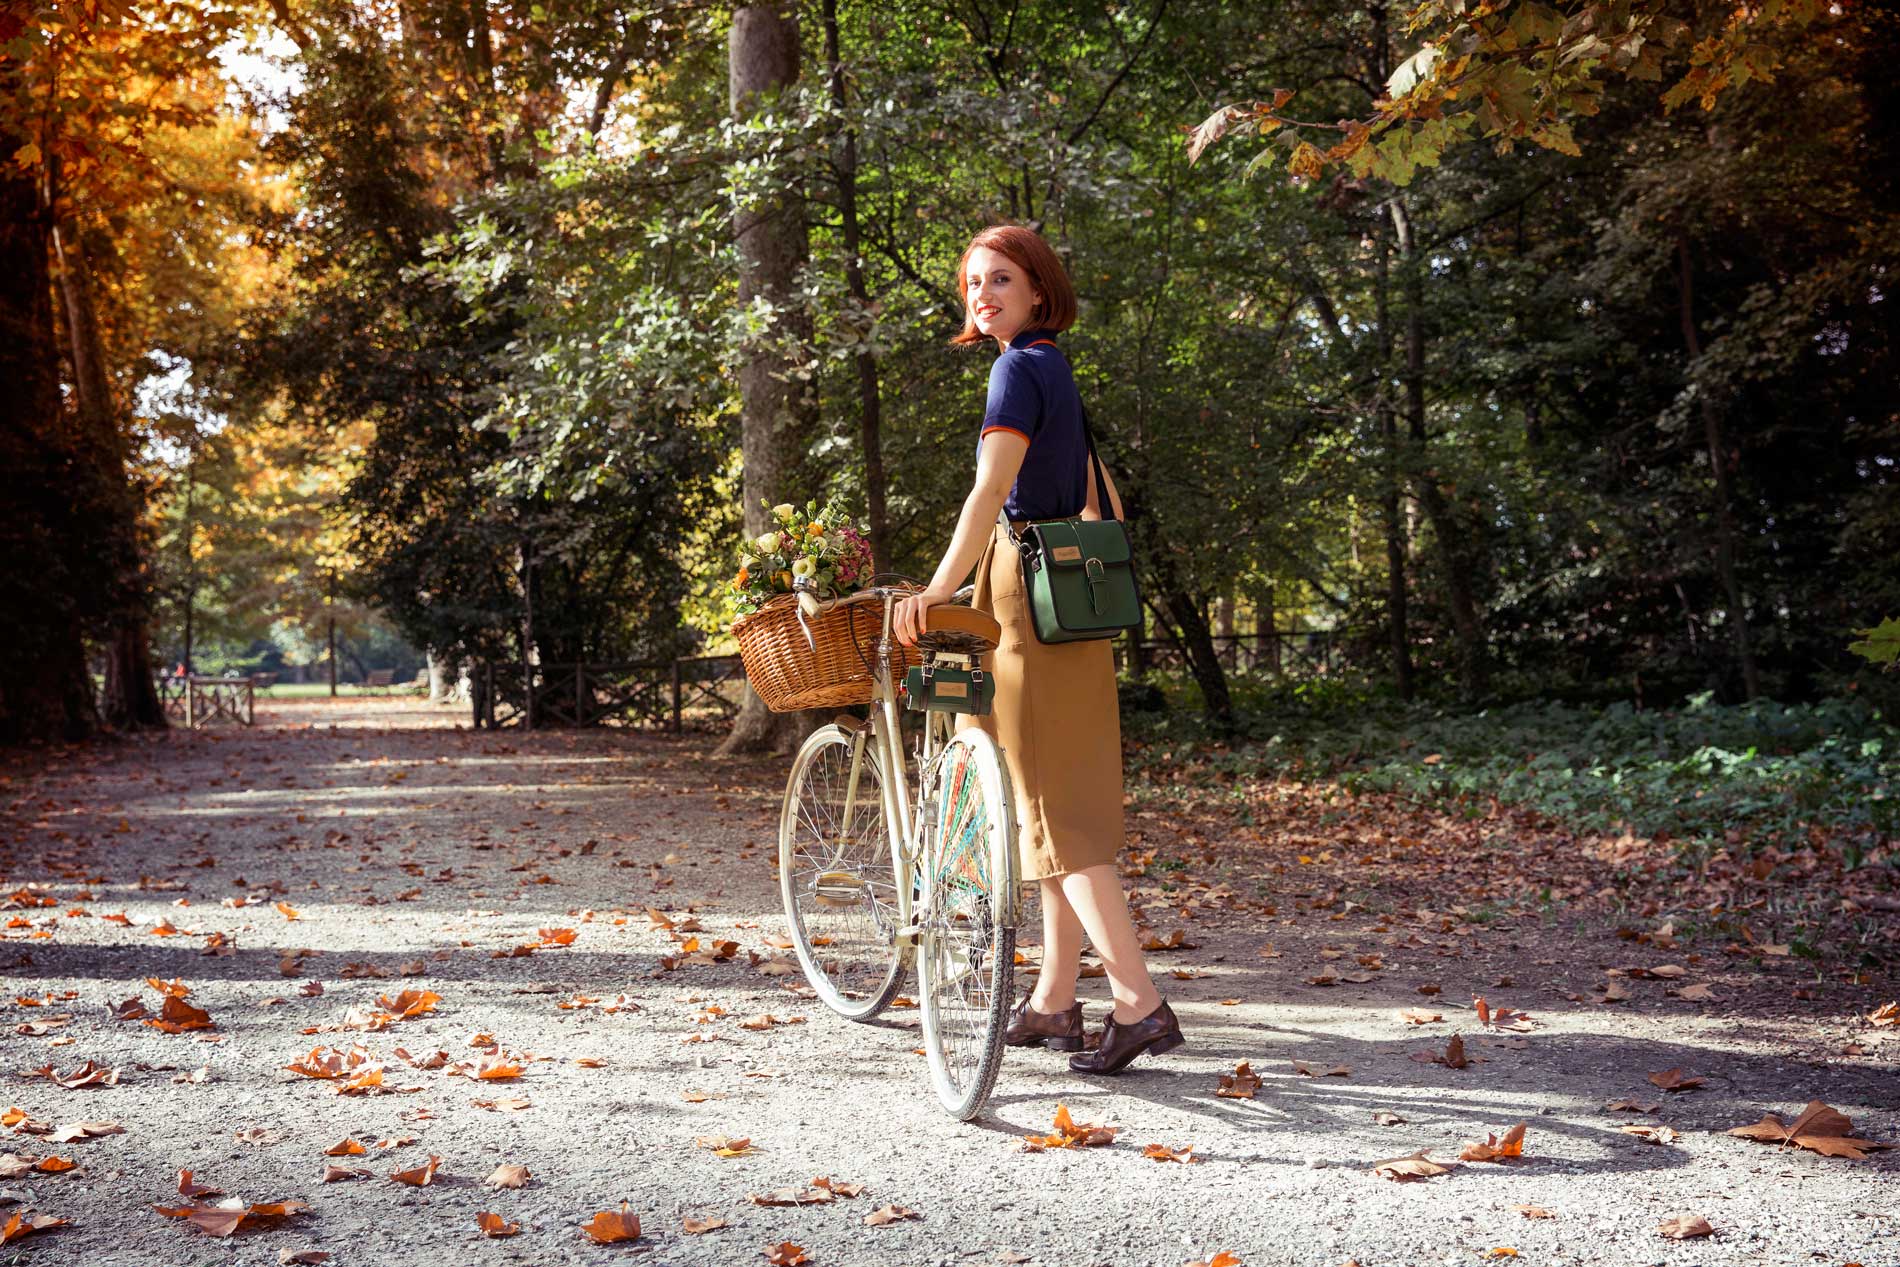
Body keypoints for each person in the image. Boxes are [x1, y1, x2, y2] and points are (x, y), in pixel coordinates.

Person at [893, 223, 1183, 1075]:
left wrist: (939, 590)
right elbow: (1103, 503)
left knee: (1051, 811)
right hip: (1074, 597)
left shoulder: (1017, 367)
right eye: (972, 284)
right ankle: (1056, 998)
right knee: (1048, 808)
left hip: (1026, 594)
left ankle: (1139, 1000)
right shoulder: (1054, 367)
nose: (982, 296)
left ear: (1038, 290)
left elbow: (990, 489)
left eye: (1001, 281)